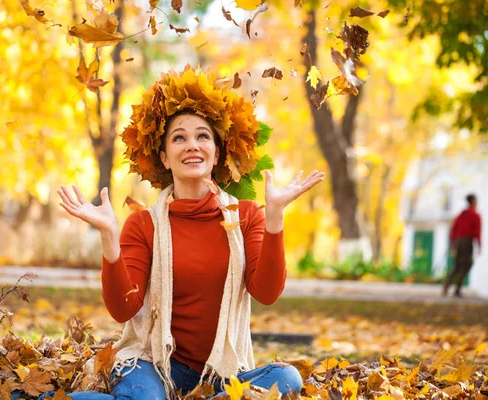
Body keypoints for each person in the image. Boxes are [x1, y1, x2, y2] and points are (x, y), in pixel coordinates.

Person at [53, 66, 324, 399]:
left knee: (287, 378)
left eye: (202, 136)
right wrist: (109, 236)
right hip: (154, 363)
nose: (191, 145)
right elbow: (124, 309)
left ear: (217, 153)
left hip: (220, 372)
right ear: (165, 158)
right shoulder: (144, 225)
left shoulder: (247, 216)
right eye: (179, 137)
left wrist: (276, 218)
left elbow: (266, 293)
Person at [443, 194, 482, 297]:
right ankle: (457, 289)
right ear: (473, 201)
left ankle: (447, 285)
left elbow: (453, 229)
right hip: (467, 242)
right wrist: (479, 245)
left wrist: (452, 243)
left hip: (459, 241)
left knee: (457, 265)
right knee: (467, 264)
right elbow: (477, 231)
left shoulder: (461, 215)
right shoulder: (475, 215)